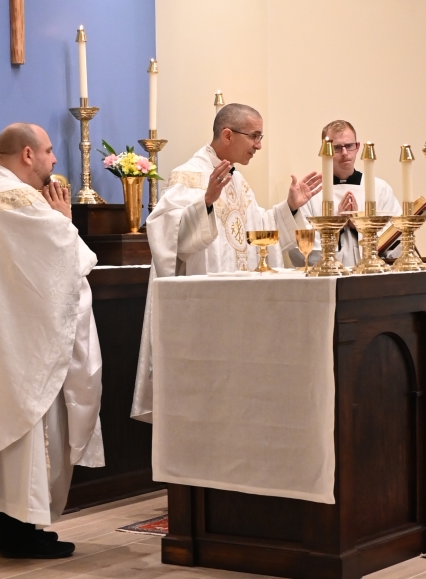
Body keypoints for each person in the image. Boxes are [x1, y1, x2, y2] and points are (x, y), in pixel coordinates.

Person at [0, 123, 105, 558]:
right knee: (26, 431)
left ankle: (8, 527)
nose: (53, 159)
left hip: (2, 338)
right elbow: (69, 258)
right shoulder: (16, 199)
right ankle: (18, 533)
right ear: (27, 154)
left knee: (8, 433)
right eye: (48, 151)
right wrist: (64, 222)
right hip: (20, 345)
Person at [131, 103, 323, 421]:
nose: (259, 145)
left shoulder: (236, 179)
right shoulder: (189, 175)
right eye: (255, 136)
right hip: (203, 312)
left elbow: (257, 230)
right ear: (228, 134)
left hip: (240, 309)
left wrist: (289, 207)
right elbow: (165, 233)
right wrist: (205, 203)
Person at [296, 120, 402, 267]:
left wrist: (359, 226)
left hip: (371, 273)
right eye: (337, 148)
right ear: (326, 151)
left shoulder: (380, 189)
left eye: (349, 146)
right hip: (328, 275)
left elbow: (395, 240)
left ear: (357, 147)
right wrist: (337, 225)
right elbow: (303, 250)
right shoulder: (311, 193)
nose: (345, 153)